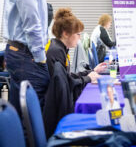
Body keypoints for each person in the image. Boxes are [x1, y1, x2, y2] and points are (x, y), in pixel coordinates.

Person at [3, 0, 51, 113]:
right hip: (27, 55)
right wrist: (40, 58)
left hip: (21, 54)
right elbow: (31, 23)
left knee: (23, 111)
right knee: (33, 113)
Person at [43, 8, 106, 137]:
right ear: (66, 33)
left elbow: (67, 77)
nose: (80, 37)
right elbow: (65, 83)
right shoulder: (55, 51)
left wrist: (92, 72)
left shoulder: (59, 48)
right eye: (78, 34)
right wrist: (88, 78)